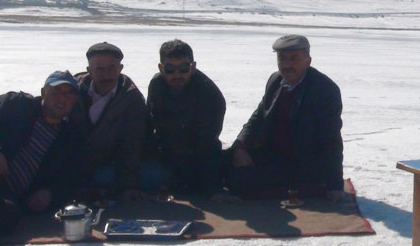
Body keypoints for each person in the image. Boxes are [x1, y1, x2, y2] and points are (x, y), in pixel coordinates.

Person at [0, 70, 85, 237]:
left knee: (8, 215)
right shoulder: (17, 104)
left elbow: (71, 178)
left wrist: (50, 193)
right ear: (43, 93)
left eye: (69, 94)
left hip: (4, 191)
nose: (62, 99)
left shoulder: (69, 138)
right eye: (56, 92)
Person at [226, 34, 345, 200]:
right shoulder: (276, 81)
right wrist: (239, 147)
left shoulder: (324, 90)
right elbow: (258, 117)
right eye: (282, 59)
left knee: (240, 181)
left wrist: (335, 185)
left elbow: (331, 139)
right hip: (272, 154)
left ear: (308, 61)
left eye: (294, 59)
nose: (287, 65)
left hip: (302, 162)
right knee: (220, 163)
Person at [145, 39, 227, 197]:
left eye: (183, 68)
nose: (177, 74)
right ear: (161, 68)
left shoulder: (209, 93)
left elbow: (206, 140)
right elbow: (148, 125)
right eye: (170, 69)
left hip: (199, 160)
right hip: (164, 156)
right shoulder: (157, 85)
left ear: (193, 67)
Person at [74, 42, 149, 201]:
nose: (106, 75)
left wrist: (129, 185)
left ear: (120, 68)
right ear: (89, 70)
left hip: (107, 163)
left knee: (156, 176)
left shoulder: (131, 99)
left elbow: (131, 143)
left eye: (111, 68)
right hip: (72, 161)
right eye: (99, 69)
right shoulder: (72, 91)